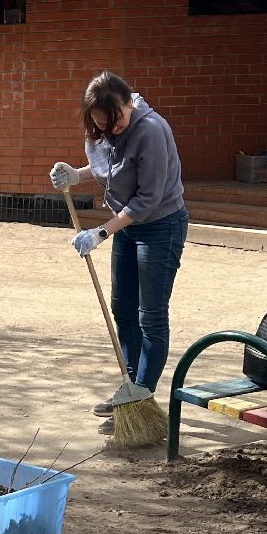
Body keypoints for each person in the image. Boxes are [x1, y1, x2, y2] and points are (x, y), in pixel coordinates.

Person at [49, 71, 188, 435]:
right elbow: (108, 170)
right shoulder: (99, 128)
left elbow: (147, 199)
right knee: (122, 309)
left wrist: (101, 232)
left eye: (117, 123)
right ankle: (129, 387)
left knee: (150, 315)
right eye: (101, 125)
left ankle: (140, 398)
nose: (110, 131)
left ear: (130, 104)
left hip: (160, 225)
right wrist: (75, 175)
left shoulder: (151, 131)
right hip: (126, 225)